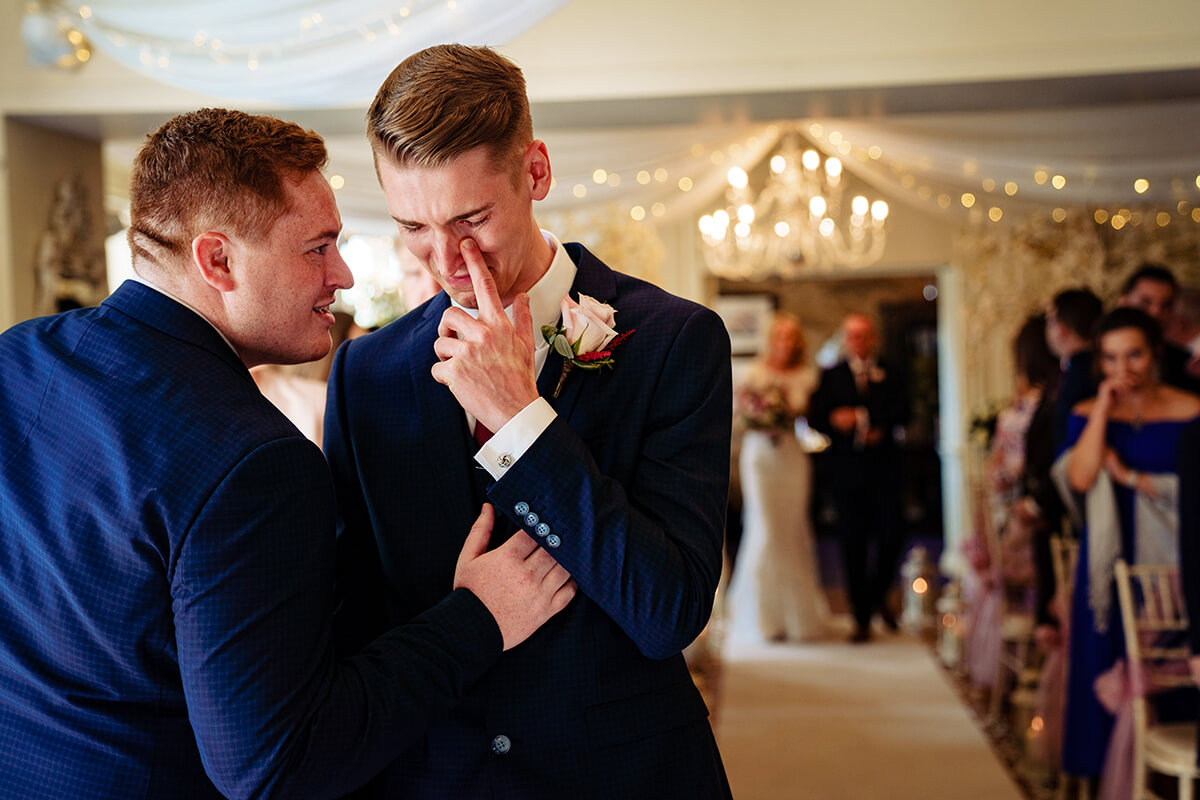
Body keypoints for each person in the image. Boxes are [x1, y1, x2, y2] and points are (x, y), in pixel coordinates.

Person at [0, 108, 575, 800]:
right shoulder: (251, 463)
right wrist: (476, 619)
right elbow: (275, 762)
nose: (344, 278)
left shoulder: (17, 357)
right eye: (318, 248)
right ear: (217, 259)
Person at [324, 45, 733, 798]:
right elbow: (355, 627)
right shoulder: (365, 374)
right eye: (413, 226)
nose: (445, 259)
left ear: (535, 172)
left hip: (625, 775)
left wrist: (523, 424)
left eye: (470, 218)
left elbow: (668, 611)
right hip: (437, 777)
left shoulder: (677, 341)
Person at [1059, 307, 1200, 784]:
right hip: (1109, 567)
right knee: (1106, 664)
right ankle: (1111, 779)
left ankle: (1172, 779)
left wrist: (1133, 478)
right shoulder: (1087, 414)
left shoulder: (1191, 410)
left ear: (1155, 352)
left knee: (1174, 676)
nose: (1124, 369)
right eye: (1111, 358)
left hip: (1176, 565)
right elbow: (1080, 477)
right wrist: (1102, 406)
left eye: (1134, 354)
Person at [725, 312, 828, 650]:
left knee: (793, 528)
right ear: (772, 339)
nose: (786, 342)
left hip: (792, 456)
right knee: (765, 528)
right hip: (760, 457)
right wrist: (760, 418)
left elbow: (811, 420)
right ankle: (762, 617)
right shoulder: (753, 373)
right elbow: (737, 416)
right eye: (780, 336)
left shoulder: (807, 375)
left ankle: (797, 616)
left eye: (791, 337)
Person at [808, 313, 909, 643]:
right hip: (845, 473)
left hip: (886, 471)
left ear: (874, 338)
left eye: (864, 335)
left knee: (892, 535)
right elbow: (815, 417)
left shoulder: (892, 371)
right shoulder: (832, 375)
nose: (859, 342)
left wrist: (863, 416)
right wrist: (835, 419)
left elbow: (905, 411)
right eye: (852, 336)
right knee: (852, 543)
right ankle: (861, 617)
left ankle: (878, 593)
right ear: (846, 340)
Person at [1118, 263, 1200, 395]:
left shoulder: (1186, 366)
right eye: (1145, 303)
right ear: (1123, 302)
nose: (1155, 313)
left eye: (1165, 305)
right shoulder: (1091, 361)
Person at [1046, 287, 1104, 451]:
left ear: (1061, 329)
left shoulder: (1080, 372)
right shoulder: (1077, 367)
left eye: (1050, 321)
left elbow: (1065, 434)